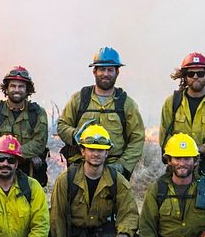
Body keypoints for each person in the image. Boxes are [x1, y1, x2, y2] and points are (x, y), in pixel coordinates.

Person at [49, 124, 141, 237]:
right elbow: (56, 217)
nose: (96, 154)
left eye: (101, 150)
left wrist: (123, 236)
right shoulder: (67, 179)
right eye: (91, 149)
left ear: (107, 153)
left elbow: (129, 212)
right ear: (82, 151)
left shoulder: (117, 180)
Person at [57, 46, 145, 179]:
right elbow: (62, 125)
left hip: (113, 167)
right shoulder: (80, 99)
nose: (106, 74)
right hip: (80, 166)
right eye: (102, 69)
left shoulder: (126, 104)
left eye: (110, 70)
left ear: (117, 72)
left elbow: (137, 139)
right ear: (94, 71)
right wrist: (76, 135)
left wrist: (122, 165)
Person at [159, 52, 205, 184]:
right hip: (179, 165)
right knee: (175, 203)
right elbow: (164, 138)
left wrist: (195, 150)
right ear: (184, 77)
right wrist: (181, 155)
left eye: (200, 73)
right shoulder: (171, 102)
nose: (195, 77)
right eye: (190, 74)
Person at [0, 66, 50, 186]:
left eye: (21, 86)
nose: (17, 90)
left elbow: (39, 143)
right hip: (1, 168)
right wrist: (18, 155)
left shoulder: (38, 113)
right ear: (7, 89)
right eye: (13, 86)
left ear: (27, 89)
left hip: (28, 170)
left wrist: (16, 155)